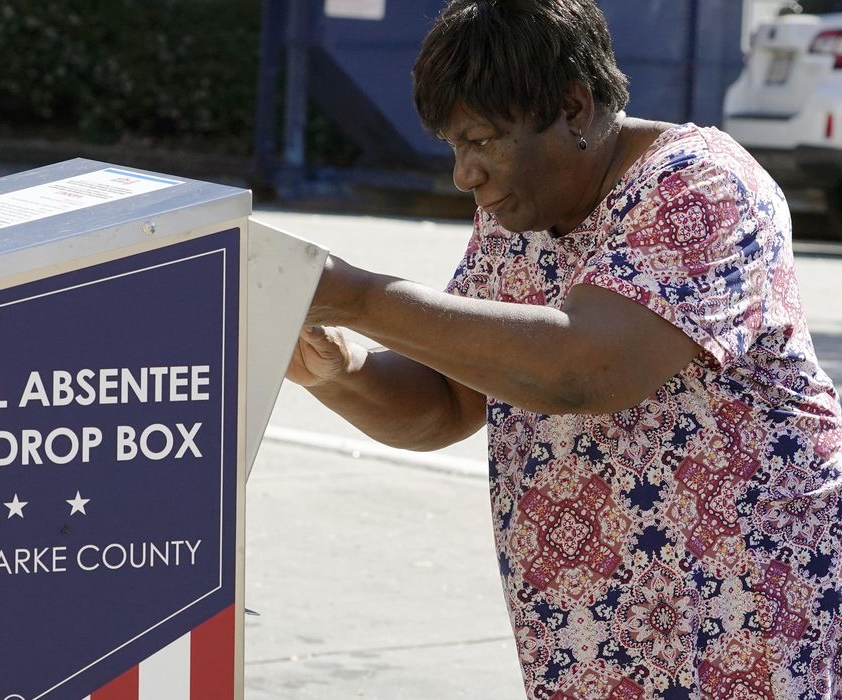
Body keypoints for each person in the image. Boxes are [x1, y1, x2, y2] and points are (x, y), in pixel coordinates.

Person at [286, 0, 842, 697]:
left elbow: (584, 369)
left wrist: (361, 297)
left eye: (482, 140)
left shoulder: (698, 186)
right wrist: (342, 369)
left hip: (742, 618)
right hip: (593, 634)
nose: (465, 175)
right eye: (455, 147)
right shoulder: (517, 218)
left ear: (575, 108)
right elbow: (449, 403)